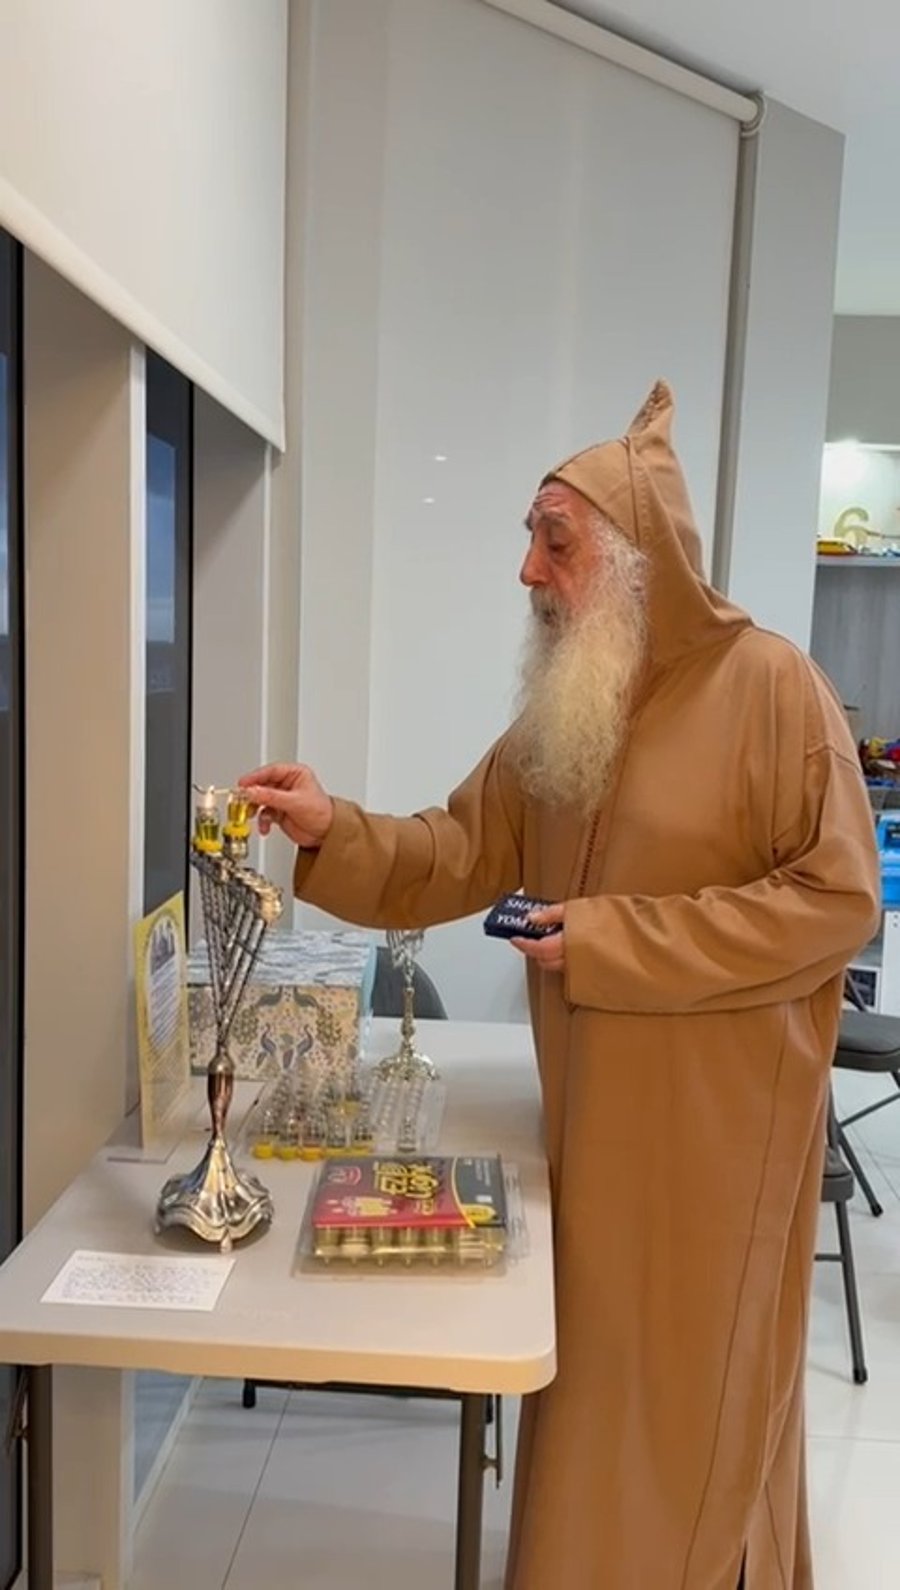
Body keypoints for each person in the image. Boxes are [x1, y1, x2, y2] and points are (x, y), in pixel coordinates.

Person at [239, 381, 880, 1590]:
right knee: (591, 1402)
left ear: (643, 562)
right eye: (531, 539)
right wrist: (333, 826)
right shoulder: (572, 700)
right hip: (587, 1130)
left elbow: (839, 902)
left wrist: (612, 939)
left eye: (556, 541)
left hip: (715, 1144)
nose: (528, 570)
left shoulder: (774, 691)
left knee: (691, 1412)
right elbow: (455, 849)